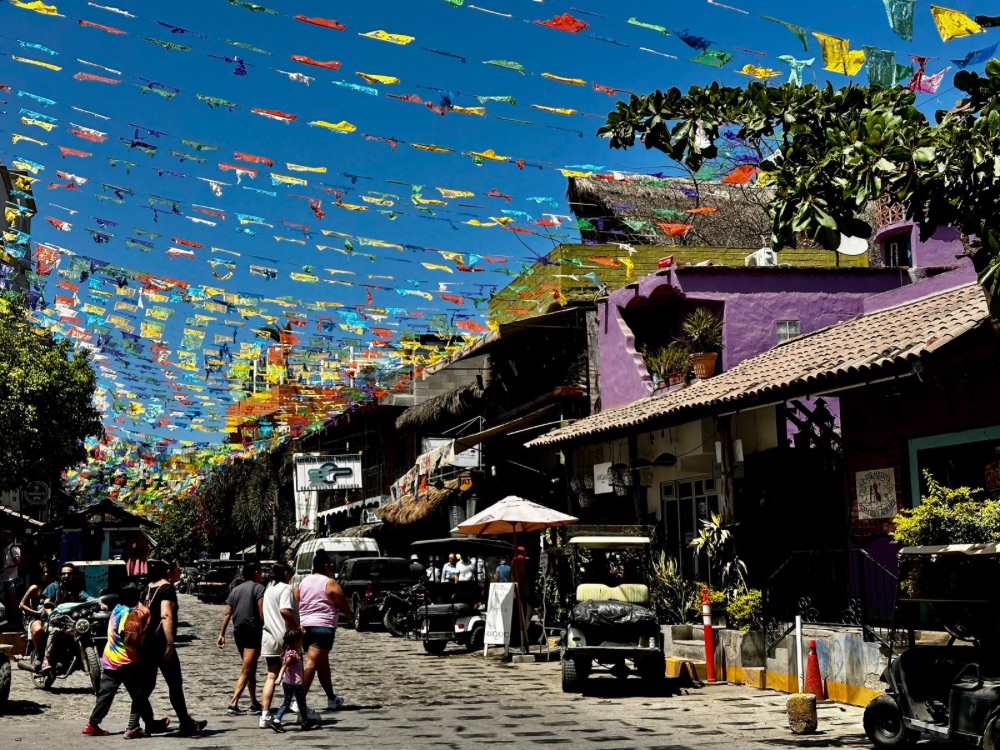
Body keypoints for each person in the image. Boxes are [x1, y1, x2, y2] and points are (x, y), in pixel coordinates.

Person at [81, 582, 170, 738]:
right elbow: (128, 635)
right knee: (139, 693)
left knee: (106, 694)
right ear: (134, 596)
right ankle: (137, 726)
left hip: (110, 658)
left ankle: (92, 724)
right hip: (126, 660)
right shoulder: (129, 613)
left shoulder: (116, 609)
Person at [141, 559, 207, 736]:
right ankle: (185, 723)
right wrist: (170, 642)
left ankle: (144, 722)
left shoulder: (148, 588)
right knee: (174, 684)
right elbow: (166, 615)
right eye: (177, 568)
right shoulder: (167, 588)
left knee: (147, 685)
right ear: (169, 571)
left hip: (147, 643)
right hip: (161, 642)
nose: (179, 571)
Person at [293, 550, 352, 713]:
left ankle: (331, 698)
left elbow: (297, 599)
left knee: (322, 663)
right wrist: (350, 616)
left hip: (306, 627)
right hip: (323, 627)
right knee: (312, 662)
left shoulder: (302, 583)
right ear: (326, 567)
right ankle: (298, 699)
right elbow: (341, 603)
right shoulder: (330, 583)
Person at [217, 561, 265, 715]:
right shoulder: (259, 588)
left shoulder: (235, 590)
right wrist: (267, 626)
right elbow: (261, 610)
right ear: (256, 572)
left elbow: (227, 613)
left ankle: (253, 702)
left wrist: (222, 633)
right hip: (252, 631)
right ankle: (233, 703)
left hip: (238, 631)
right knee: (247, 668)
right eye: (260, 571)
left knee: (250, 667)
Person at [260, 562, 298, 729]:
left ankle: (265, 714)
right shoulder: (285, 588)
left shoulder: (268, 590)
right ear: (286, 573)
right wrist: (296, 627)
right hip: (284, 639)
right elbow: (284, 610)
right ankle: (299, 708)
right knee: (294, 676)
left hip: (269, 638)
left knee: (271, 676)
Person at [270, 629, 319, 733]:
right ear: (296, 642)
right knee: (298, 702)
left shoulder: (288, 651)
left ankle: (303, 721)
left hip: (288, 683)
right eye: (300, 640)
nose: (302, 642)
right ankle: (278, 720)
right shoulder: (292, 655)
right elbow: (284, 666)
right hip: (295, 683)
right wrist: (279, 677)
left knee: (290, 703)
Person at [19, 562, 51, 666]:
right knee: (38, 630)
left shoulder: (53, 586)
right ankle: (39, 653)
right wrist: (36, 612)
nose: (45, 575)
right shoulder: (34, 588)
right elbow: (21, 605)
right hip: (35, 617)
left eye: (47, 572)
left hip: (50, 617)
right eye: (43, 573)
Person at [3, 530, 22, 614]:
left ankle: (16, 618)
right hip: (7, 577)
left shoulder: (13, 549)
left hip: (12, 578)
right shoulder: (6, 549)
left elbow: (17, 561)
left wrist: (5, 567)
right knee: (9, 600)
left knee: (13, 600)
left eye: (8, 537)